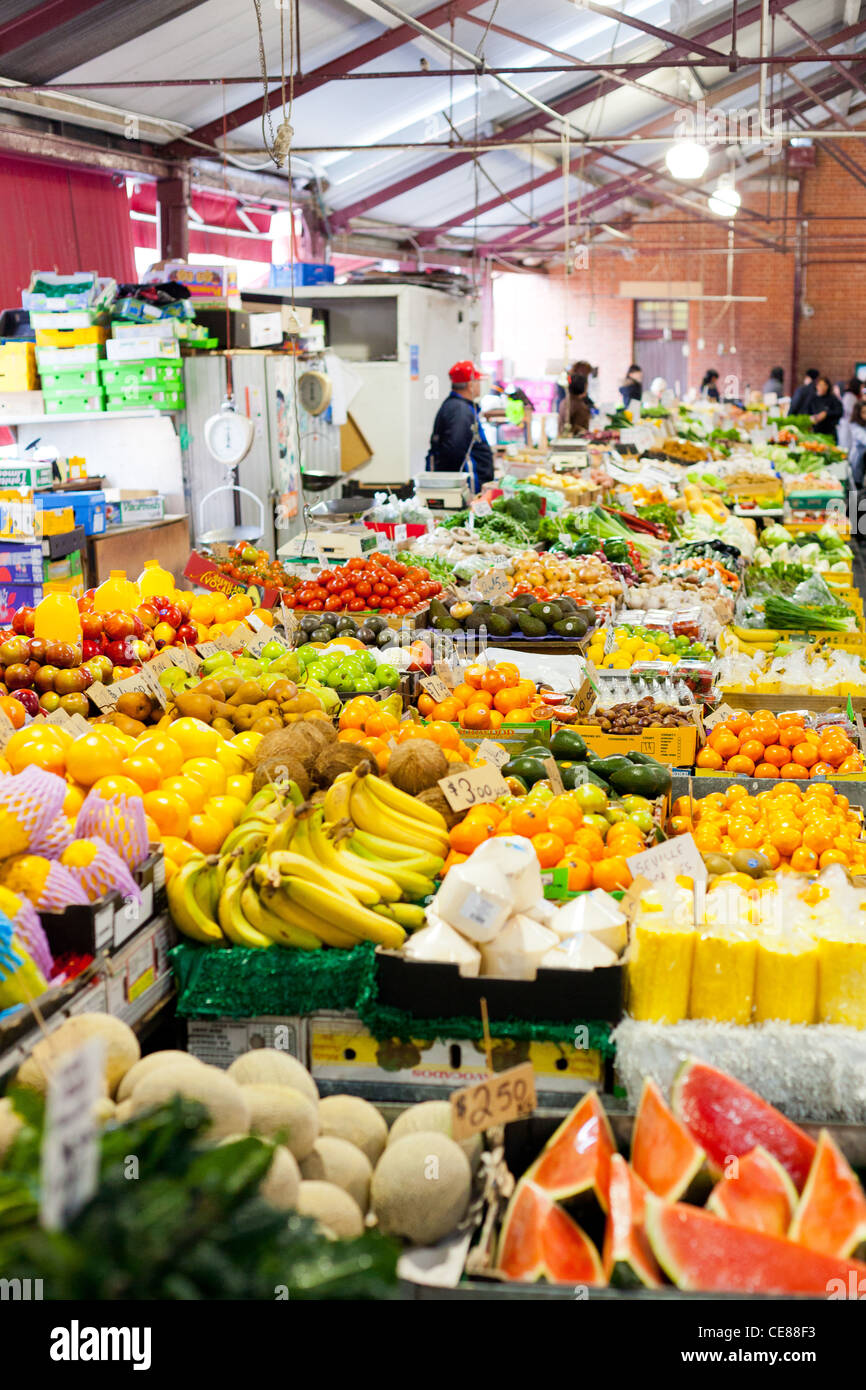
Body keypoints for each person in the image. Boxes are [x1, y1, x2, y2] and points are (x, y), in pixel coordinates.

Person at [427, 360, 494, 488]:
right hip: (468, 483)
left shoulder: (460, 406)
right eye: (478, 381)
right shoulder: (460, 410)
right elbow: (455, 450)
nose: (480, 385)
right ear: (470, 385)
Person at [810, 375, 843, 441]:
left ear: (828, 386)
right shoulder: (812, 399)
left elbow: (839, 411)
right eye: (820, 385)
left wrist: (826, 414)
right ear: (816, 386)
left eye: (824, 385)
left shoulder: (833, 399)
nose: (822, 387)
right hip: (816, 431)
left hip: (829, 432)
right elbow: (807, 412)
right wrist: (812, 418)